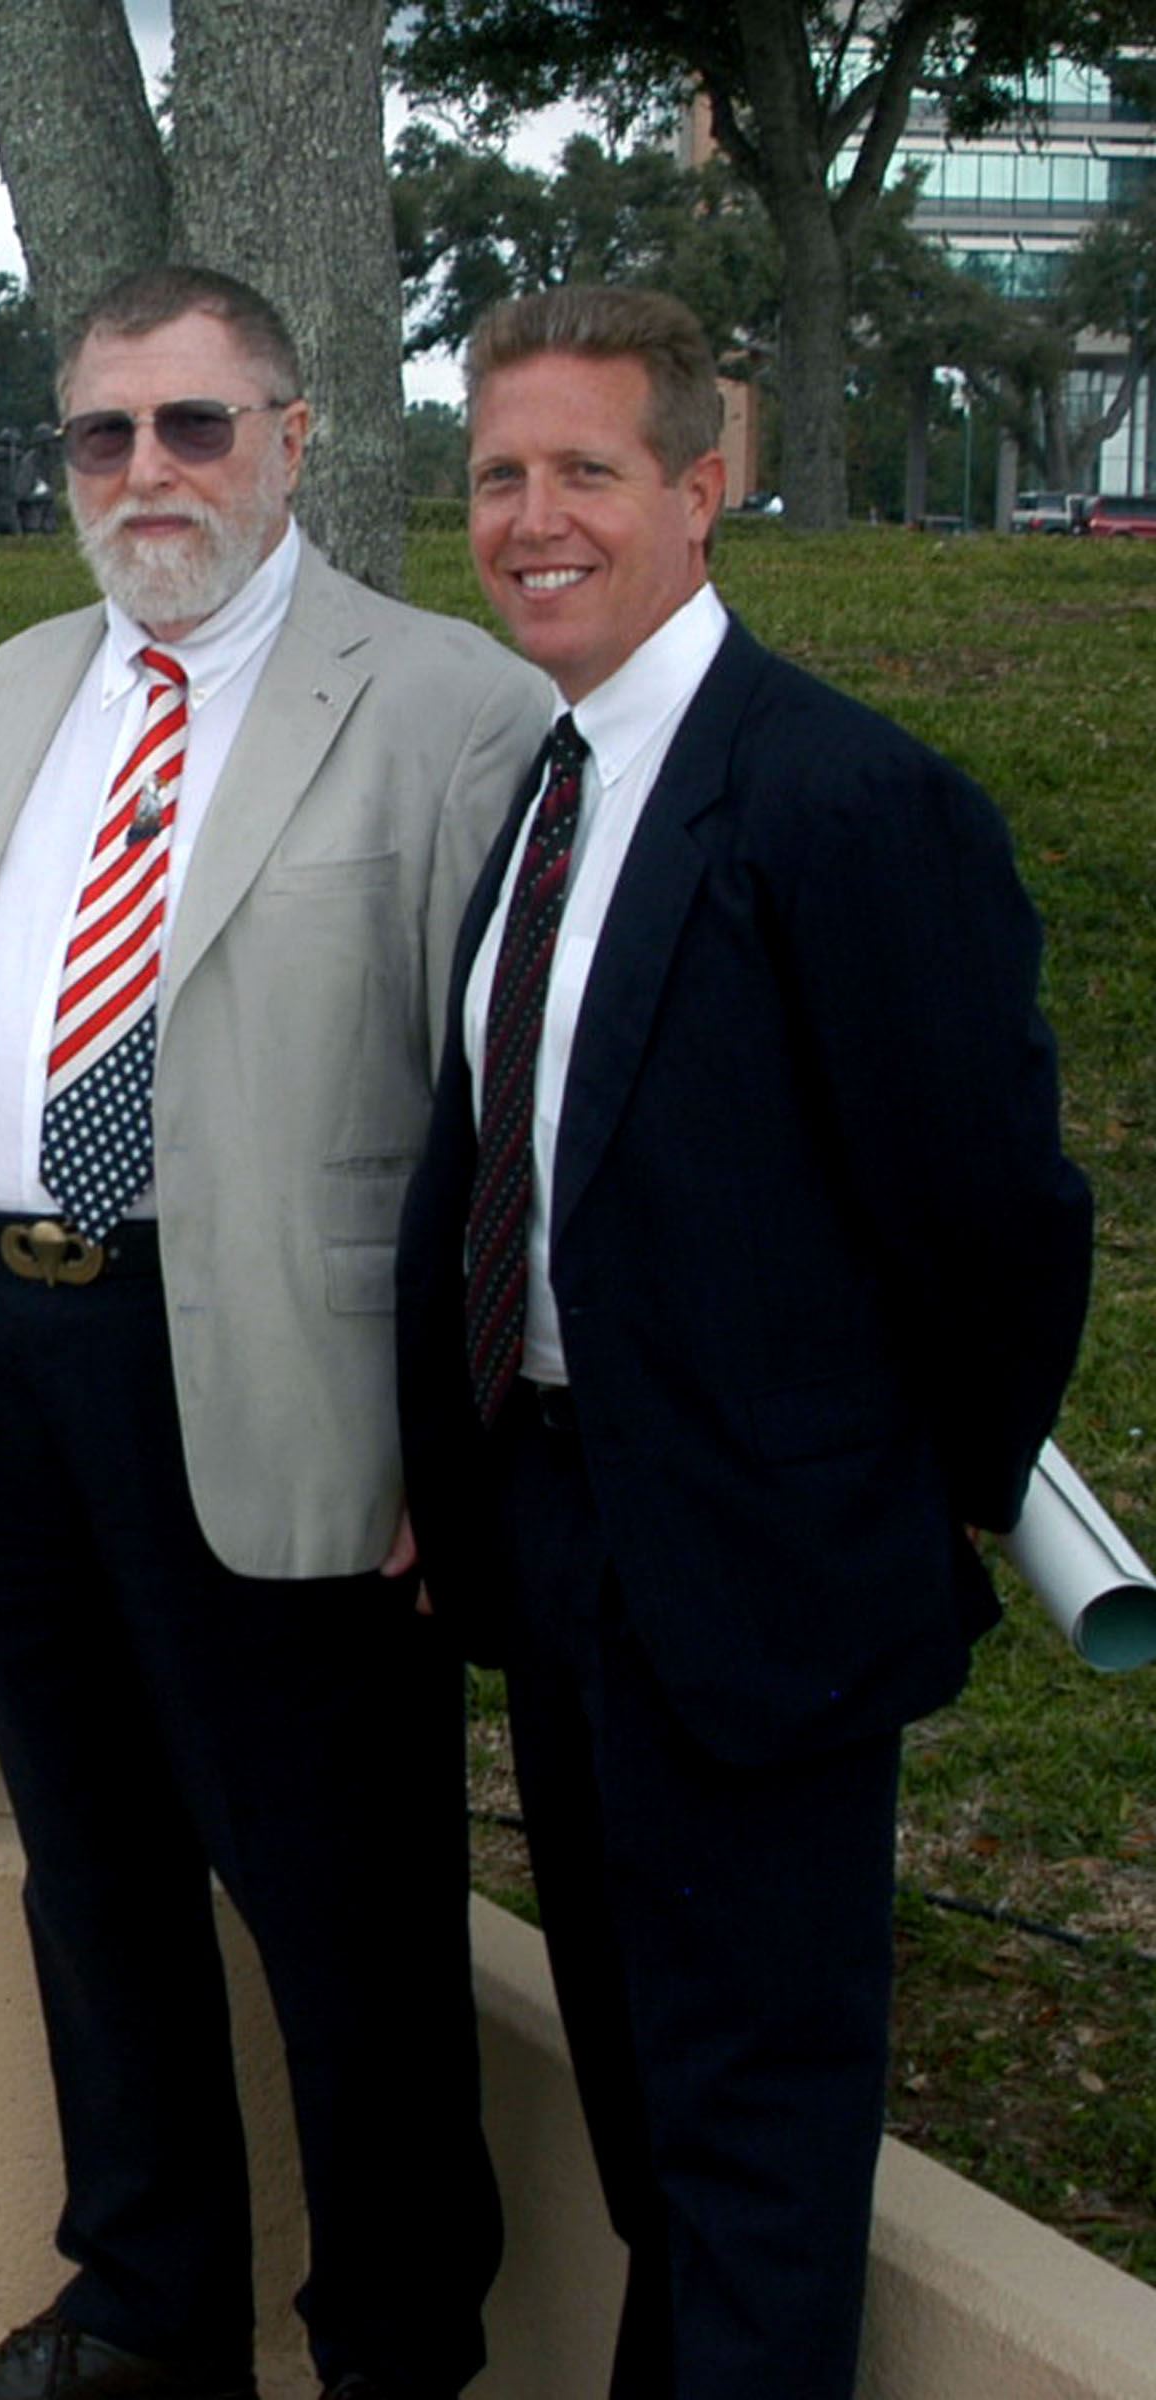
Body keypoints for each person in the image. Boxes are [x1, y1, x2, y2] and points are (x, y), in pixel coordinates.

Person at [0, 263, 553, 2400]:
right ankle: (146, 2320)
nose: (145, 475)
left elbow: (505, 1126)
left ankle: (397, 2352)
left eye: (193, 427)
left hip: (278, 1389)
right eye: (101, 436)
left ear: (295, 437)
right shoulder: (5, 696)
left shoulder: (447, 708)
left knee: (346, 1921)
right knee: (96, 1878)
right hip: (8, 1359)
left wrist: (461, 1444)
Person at [394, 284, 1093, 2398]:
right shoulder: (557, 781)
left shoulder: (848, 805)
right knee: (648, 2111)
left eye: (587, 471)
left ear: (702, 490)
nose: (534, 518)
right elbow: (504, 1151)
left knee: (760, 2138)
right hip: (568, 1541)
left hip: (763, 1579)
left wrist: (885, 1498)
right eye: (503, 473)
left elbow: (997, 1228)